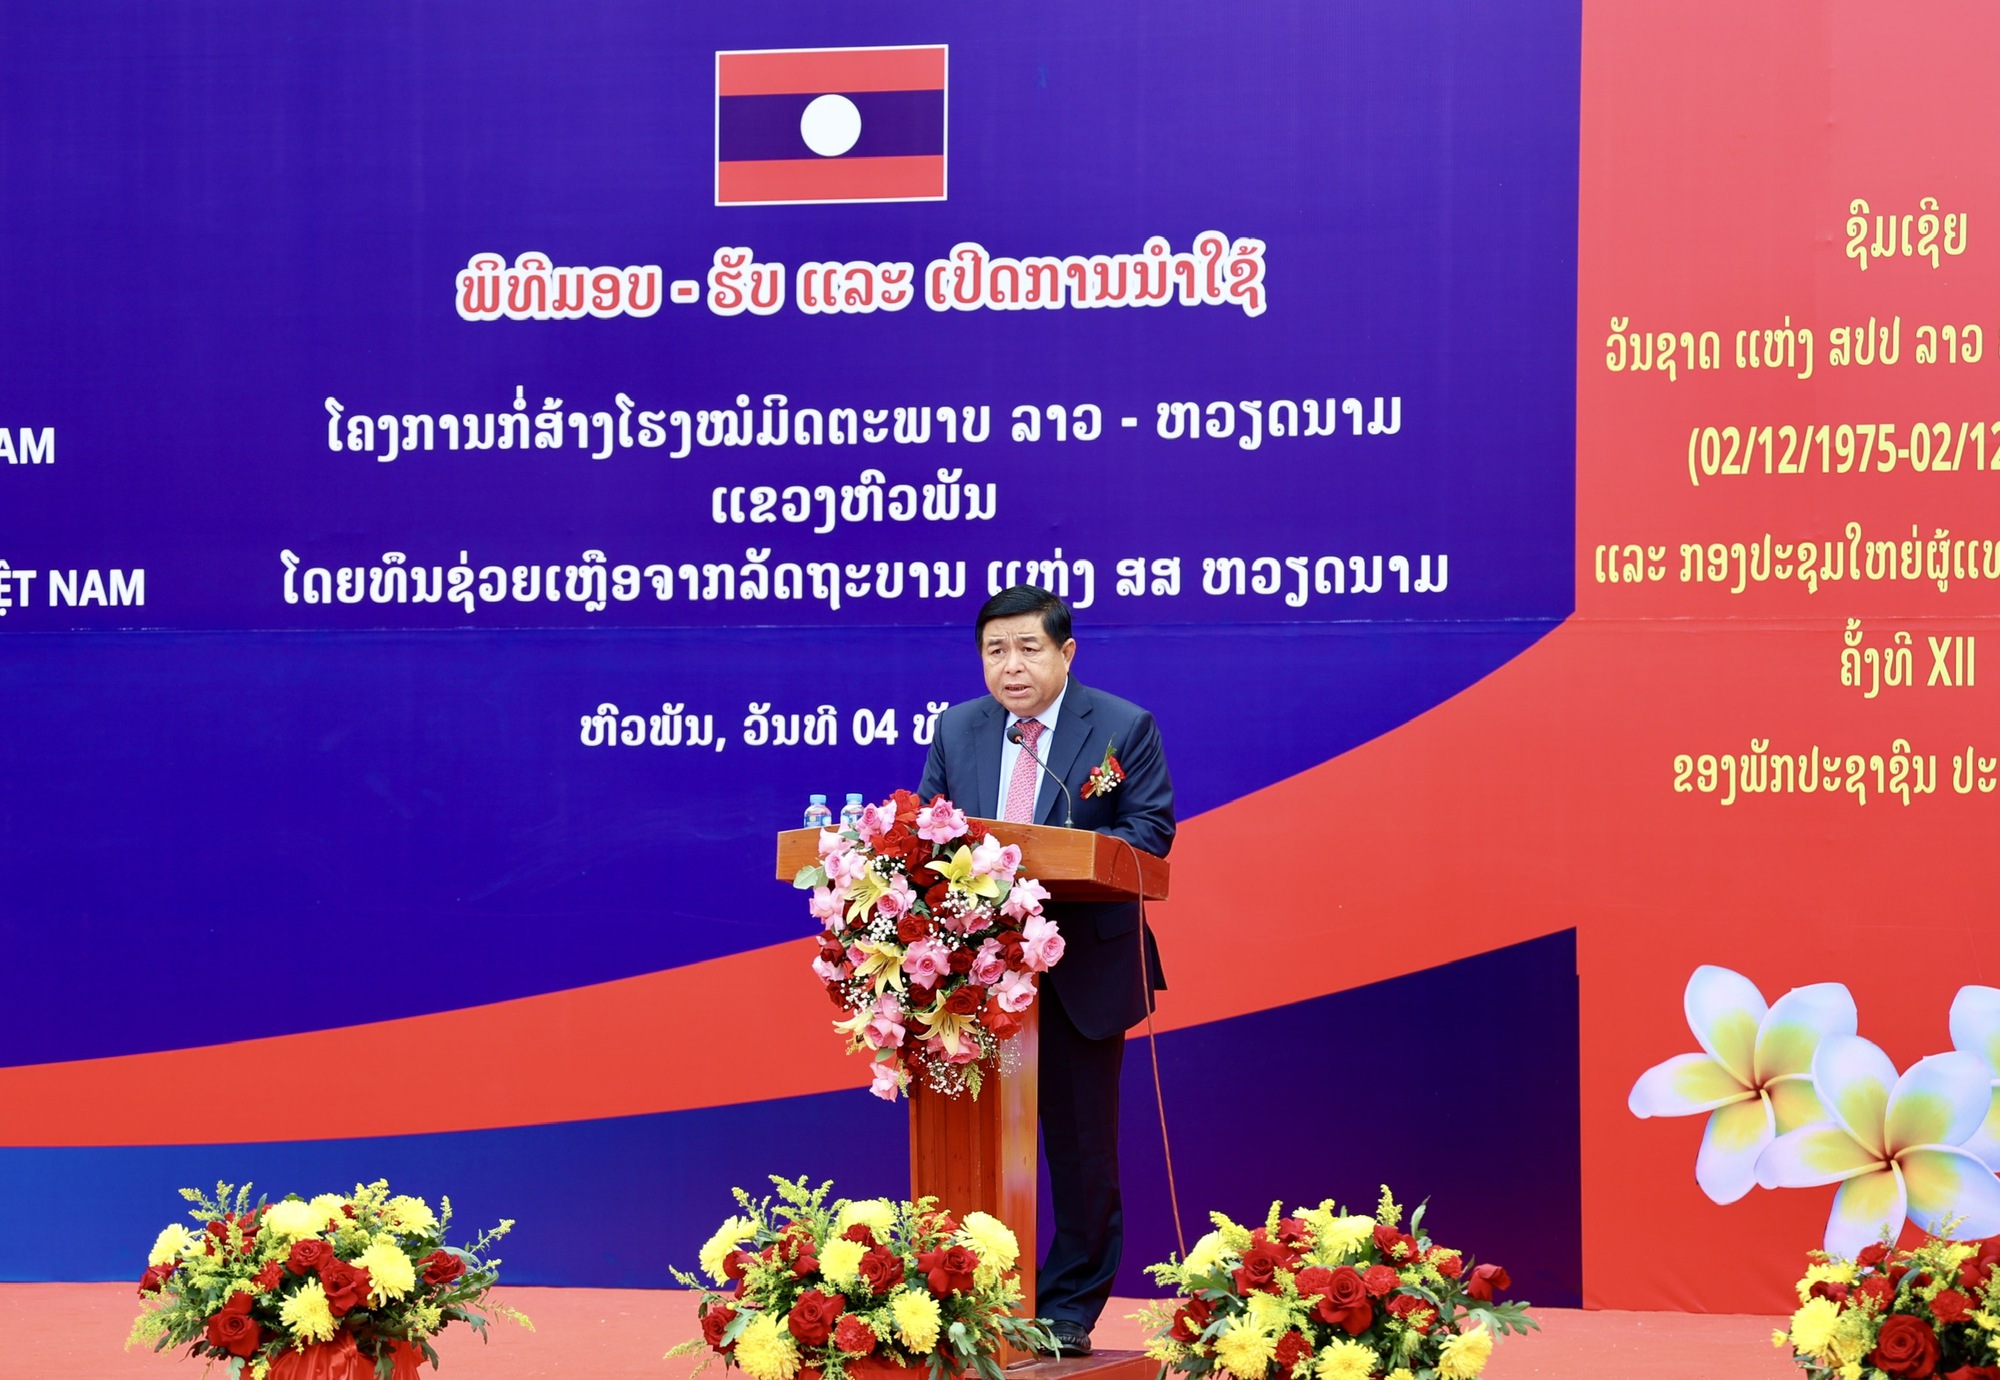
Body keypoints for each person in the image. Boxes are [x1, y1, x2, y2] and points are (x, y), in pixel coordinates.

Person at [916, 584, 1174, 1356]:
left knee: (1080, 1150)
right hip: (975, 972)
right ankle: (969, 1297)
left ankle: (1068, 1308)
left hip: (1079, 966)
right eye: (995, 651)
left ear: (1066, 653)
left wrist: (1051, 857)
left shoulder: (1122, 726)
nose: (1012, 666)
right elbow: (925, 829)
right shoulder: (957, 727)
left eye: (1028, 648)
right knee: (973, 1143)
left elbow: (1149, 833)